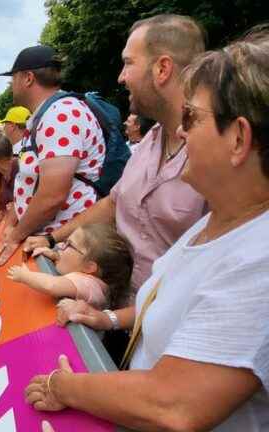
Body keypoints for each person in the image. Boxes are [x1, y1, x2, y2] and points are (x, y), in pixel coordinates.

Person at [25, 27, 269, 432]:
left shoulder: (258, 261)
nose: (182, 131)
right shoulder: (216, 223)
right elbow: (172, 302)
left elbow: (174, 404)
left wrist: (65, 387)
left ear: (239, 138)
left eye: (192, 117)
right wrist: (110, 320)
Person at [23, 15, 208, 296]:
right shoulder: (151, 140)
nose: (121, 76)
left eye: (129, 63)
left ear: (163, 69)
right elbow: (113, 203)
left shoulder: (216, 154)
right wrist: (51, 239)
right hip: (118, 306)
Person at [0, 45, 107, 266]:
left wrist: (16, 235)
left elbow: (52, 195)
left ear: (28, 78)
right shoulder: (49, 113)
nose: (11, 85)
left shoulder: (60, 115)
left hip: (61, 248)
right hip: (49, 243)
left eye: (13, 78)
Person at [7, 223, 132, 310]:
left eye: (69, 245)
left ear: (89, 267)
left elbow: (51, 286)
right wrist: (55, 256)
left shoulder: (87, 284)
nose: (60, 246)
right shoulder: (88, 274)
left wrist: (25, 276)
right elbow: (71, 267)